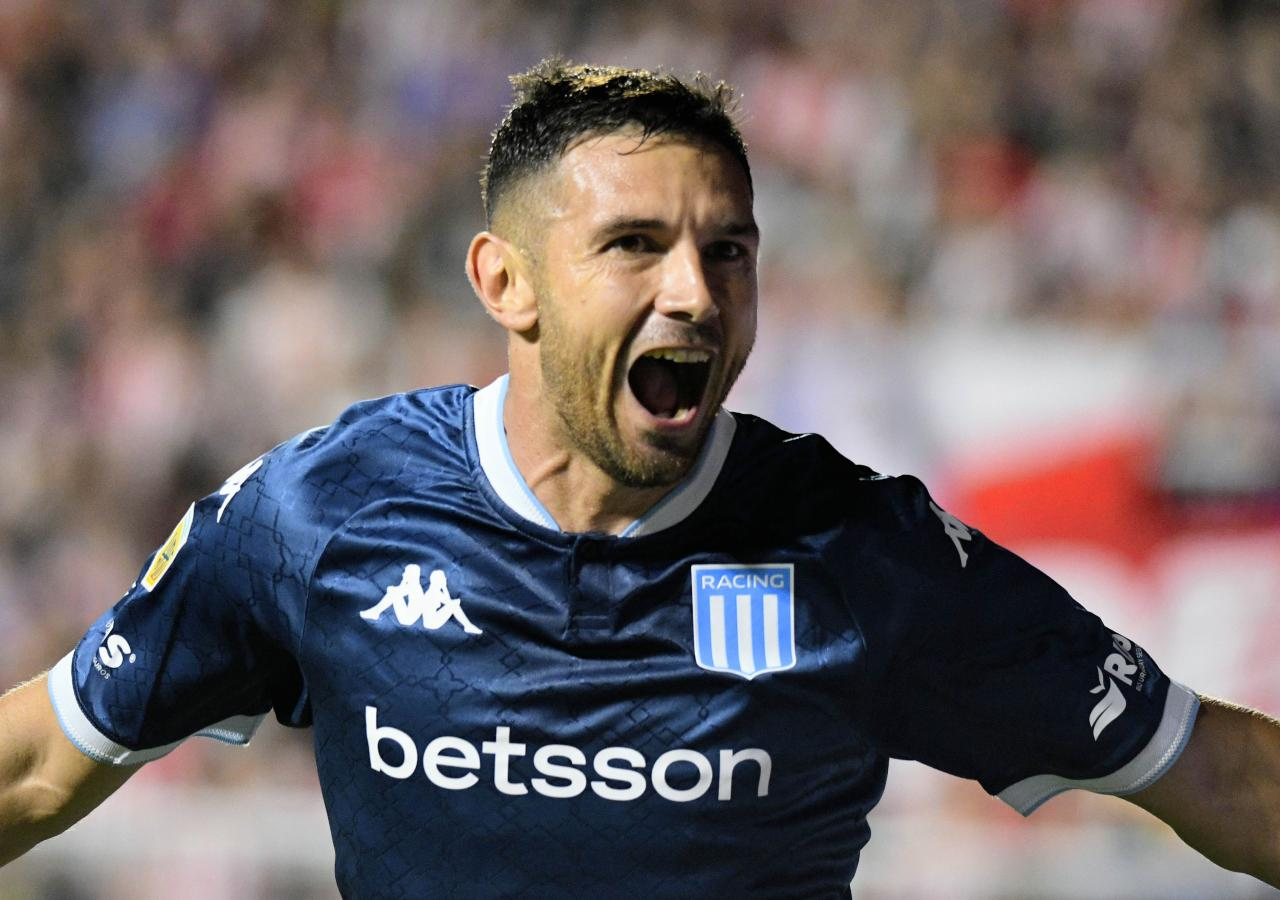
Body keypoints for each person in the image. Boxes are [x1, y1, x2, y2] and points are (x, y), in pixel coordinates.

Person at [1, 59, 1278, 898]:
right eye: (634, 244)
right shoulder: (321, 516)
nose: (695, 294)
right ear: (505, 282)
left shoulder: (864, 557)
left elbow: (1212, 771)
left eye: (729, 252)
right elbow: (40, 766)